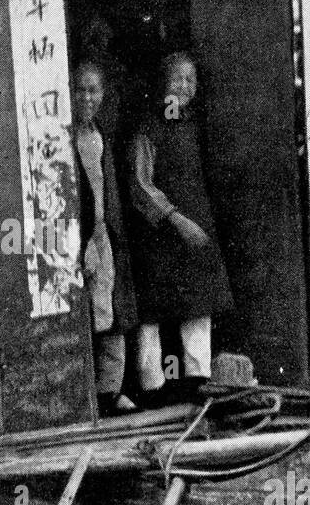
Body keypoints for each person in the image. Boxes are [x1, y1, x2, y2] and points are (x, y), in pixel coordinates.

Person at [127, 51, 232, 404]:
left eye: (190, 80)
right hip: (159, 234)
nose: (184, 87)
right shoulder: (147, 128)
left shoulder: (191, 123)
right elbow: (140, 185)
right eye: (177, 80)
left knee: (198, 307)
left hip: (194, 232)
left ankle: (197, 386)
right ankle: (153, 392)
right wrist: (176, 219)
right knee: (153, 315)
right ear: (162, 83)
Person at [72, 60, 138, 415]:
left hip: (104, 233)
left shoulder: (100, 137)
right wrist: (82, 240)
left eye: (93, 90)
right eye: (80, 89)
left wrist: (104, 235)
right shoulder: (65, 138)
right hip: (80, 235)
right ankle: (86, 393)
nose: (87, 97)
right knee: (84, 308)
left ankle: (111, 390)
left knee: (111, 306)